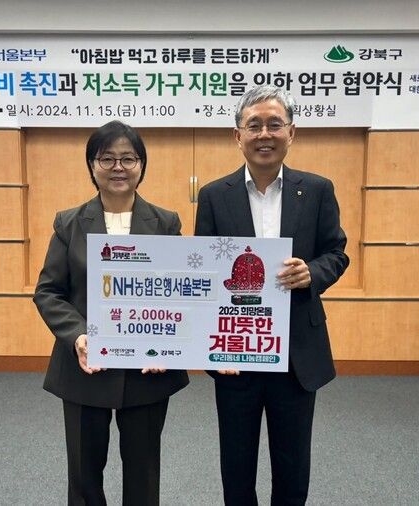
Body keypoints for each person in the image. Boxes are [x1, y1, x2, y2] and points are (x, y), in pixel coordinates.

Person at [195, 84, 349, 506]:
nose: (265, 134)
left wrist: (312, 273)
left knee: (293, 466)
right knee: (236, 466)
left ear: (291, 132)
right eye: (254, 125)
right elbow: (205, 272)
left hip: (297, 351)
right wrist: (210, 348)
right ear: (238, 135)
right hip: (236, 350)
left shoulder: (317, 190)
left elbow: (337, 253)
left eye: (275, 124)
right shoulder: (214, 195)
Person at [34, 120, 189, 506]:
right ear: (92, 165)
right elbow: (49, 292)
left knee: (143, 471)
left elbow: (180, 293)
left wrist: (167, 343)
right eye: (107, 159)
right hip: (85, 367)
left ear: (141, 165)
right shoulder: (69, 223)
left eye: (128, 158)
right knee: (84, 474)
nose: (118, 167)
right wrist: (78, 336)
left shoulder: (166, 222)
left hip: (148, 370)